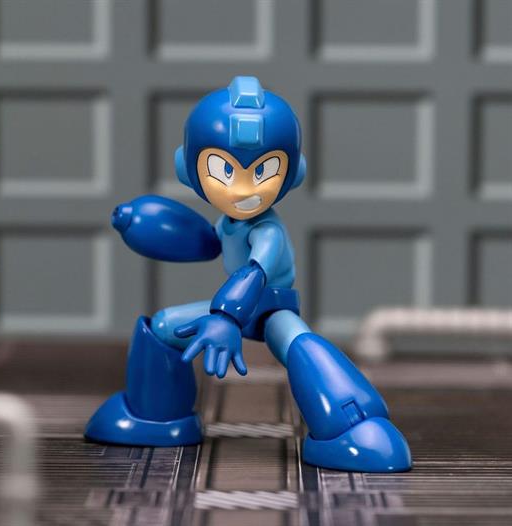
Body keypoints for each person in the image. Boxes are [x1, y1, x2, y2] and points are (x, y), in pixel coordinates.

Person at [85, 77, 411, 472]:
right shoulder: (229, 224)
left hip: (268, 308)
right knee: (163, 329)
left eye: (263, 171)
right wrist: (139, 222)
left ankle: (352, 424)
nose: (242, 190)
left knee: (301, 347)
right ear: (188, 169)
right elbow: (205, 242)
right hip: (233, 311)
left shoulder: (267, 231)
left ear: (294, 172)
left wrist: (225, 316)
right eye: (223, 170)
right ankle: (156, 414)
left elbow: (256, 270)